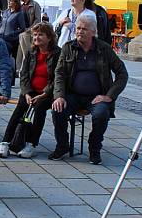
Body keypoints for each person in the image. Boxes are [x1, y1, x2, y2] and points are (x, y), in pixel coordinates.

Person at [50, 14, 128, 164]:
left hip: (96, 97)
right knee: (57, 109)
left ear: (93, 31)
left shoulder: (104, 49)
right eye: (78, 28)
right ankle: (62, 145)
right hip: (73, 95)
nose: (79, 31)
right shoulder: (68, 48)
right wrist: (59, 95)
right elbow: (59, 73)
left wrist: (109, 96)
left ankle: (95, 148)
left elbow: (122, 73)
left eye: (84, 29)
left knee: (101, 114)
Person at [0, 22, 60, 159]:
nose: (36, 37)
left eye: (40, 35)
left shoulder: (56, 53)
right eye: (35, 34)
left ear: (49, 37)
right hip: (30, 91)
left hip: (48, 93)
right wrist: (25, 92)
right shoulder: (31, 52)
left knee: (40, 108)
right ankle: (5, 142)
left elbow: (57, 78)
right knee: (19, 109)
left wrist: (44, 94)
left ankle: (31, 144)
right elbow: (24, 74)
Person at [0, 0, 28, 85]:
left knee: (9, 60)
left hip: (11, 40)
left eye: (11, 1)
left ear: (16, 2)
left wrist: (13, 34)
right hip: (1, 37)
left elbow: (22, 28)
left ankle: (10, 80)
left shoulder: (19, 13)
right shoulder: (5, 12)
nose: (9, 2)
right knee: (1, 59)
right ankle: (1, 77)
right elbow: (1, 23)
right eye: (9, 0)